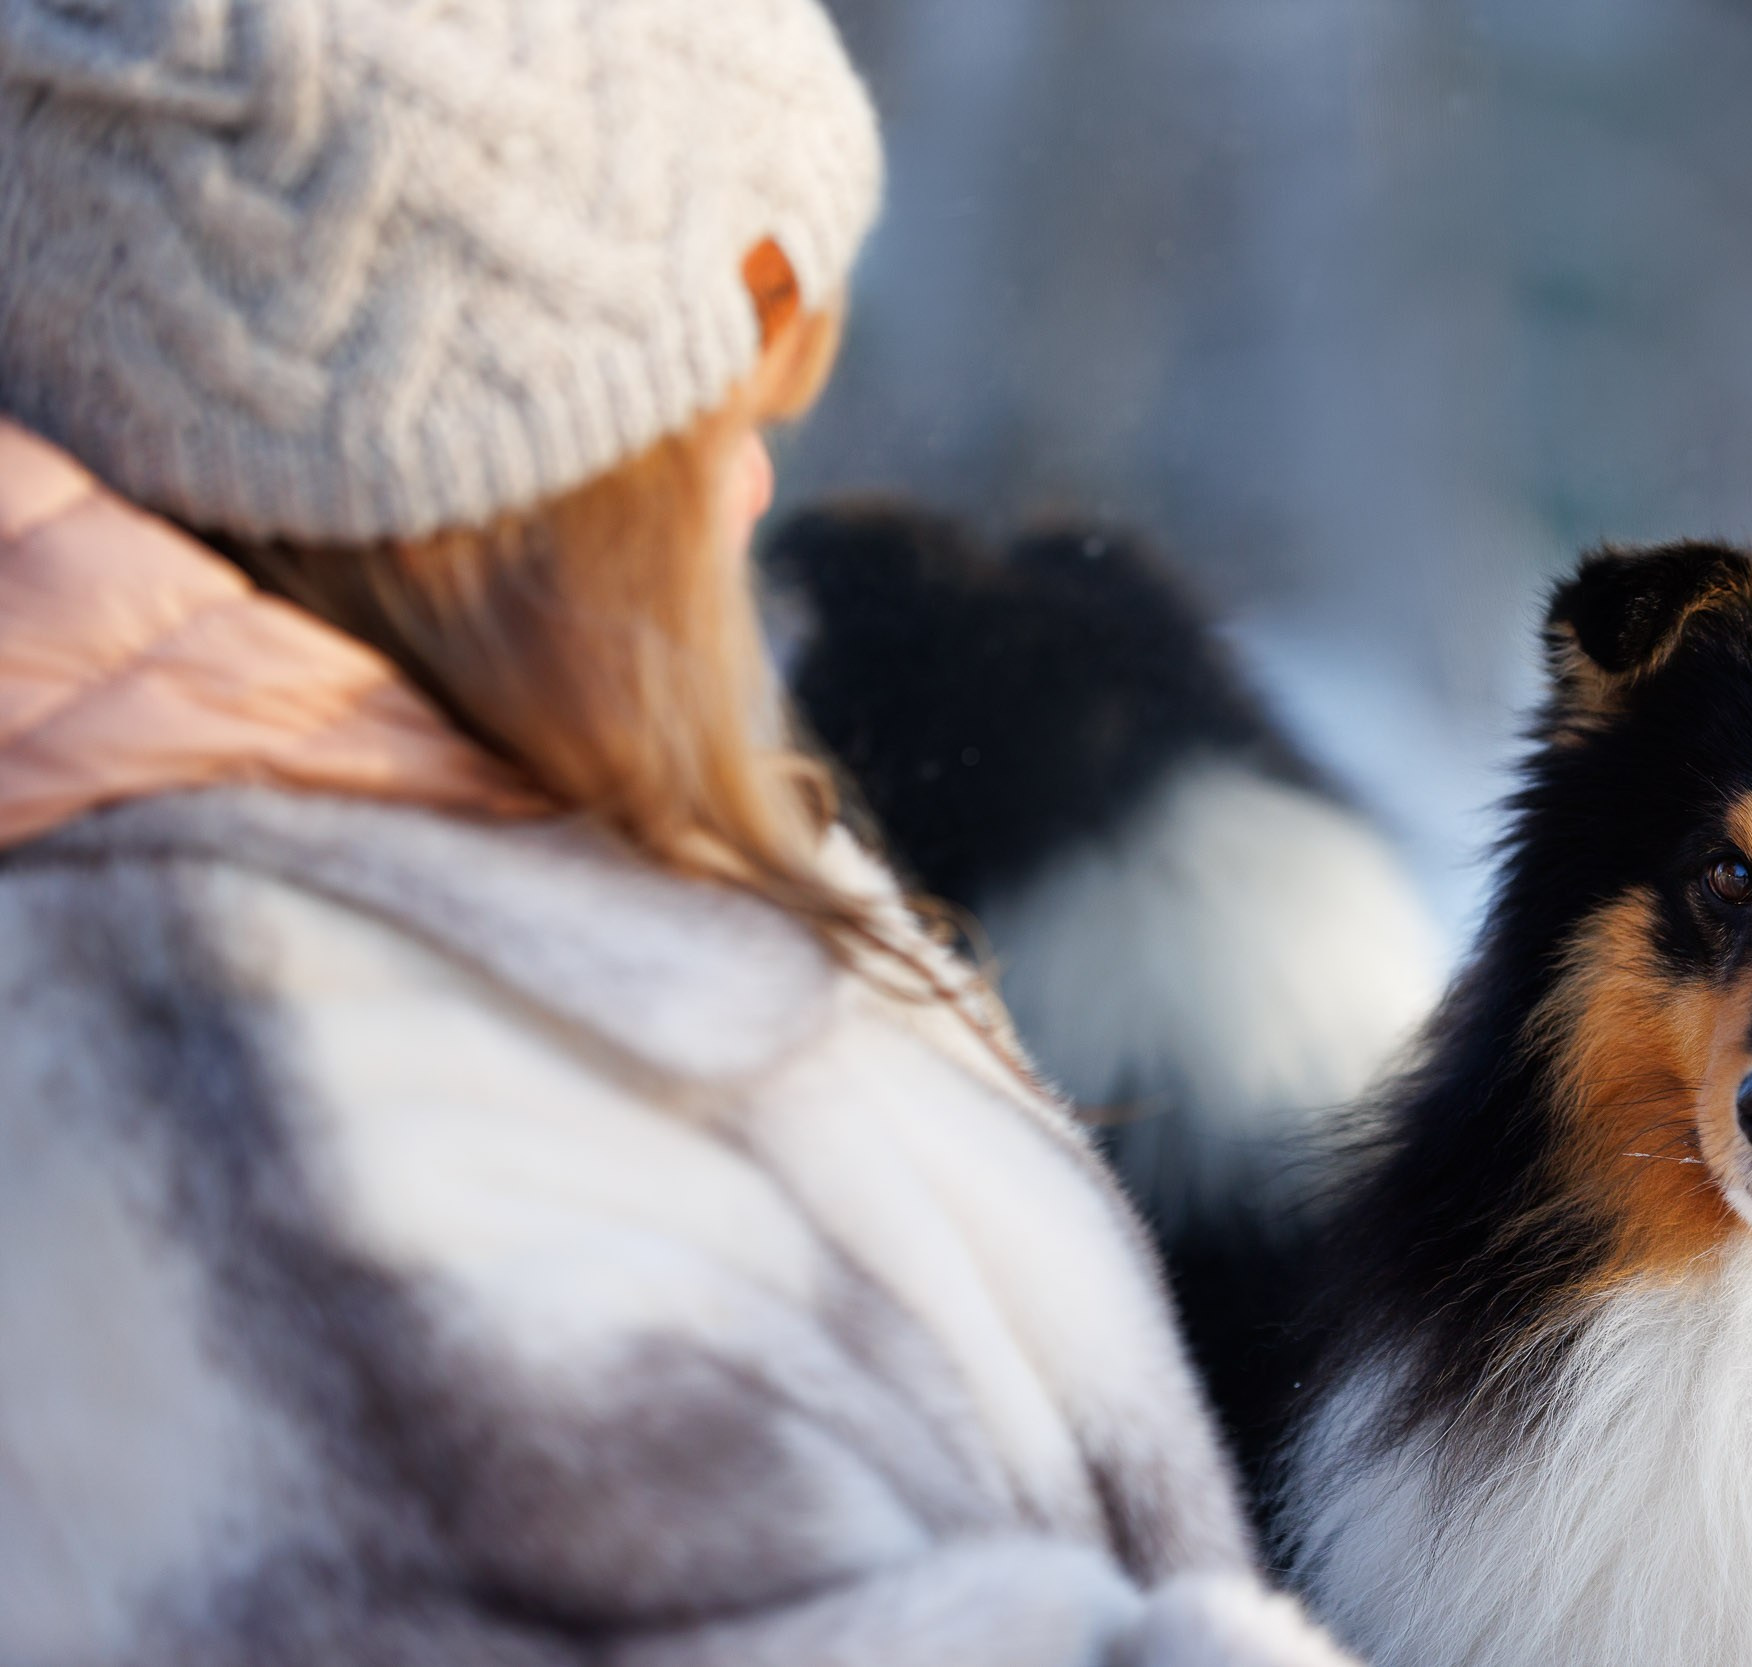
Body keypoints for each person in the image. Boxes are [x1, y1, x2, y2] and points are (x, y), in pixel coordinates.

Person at [0, 3, 1354, 1662]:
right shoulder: (265, 1115)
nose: (758, 489)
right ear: (462, 484)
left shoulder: (421, 875)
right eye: (712, 413)